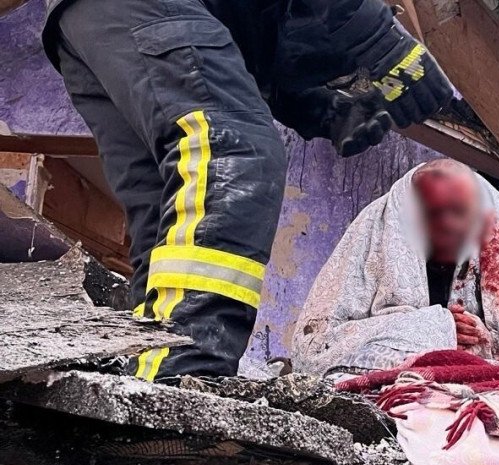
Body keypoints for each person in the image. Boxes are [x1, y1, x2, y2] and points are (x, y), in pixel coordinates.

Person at [42, 0, 454, 380]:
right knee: (232, 153)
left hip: (90, 22)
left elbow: (248, 32)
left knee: (171, 211)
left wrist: (316, 107)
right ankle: (183, 374)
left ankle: (150, 372)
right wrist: (380, 42)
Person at [290, 159, 499, 374]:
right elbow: (313, 350)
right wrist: (436, 328)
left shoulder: (498, 242)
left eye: (458, 212)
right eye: (433, 214)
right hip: (403, 380)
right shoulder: (376, 235)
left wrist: (478, 338)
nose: (448, 226)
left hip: (489, 376)